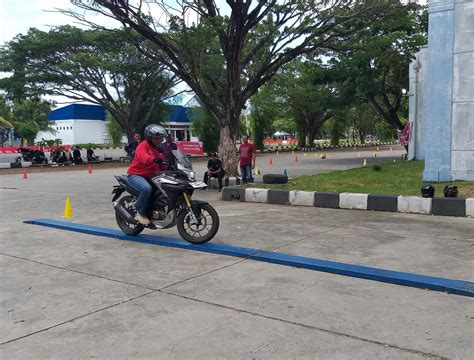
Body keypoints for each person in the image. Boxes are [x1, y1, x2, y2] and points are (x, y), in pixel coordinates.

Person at [127, 124, 167, 225]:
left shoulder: (157, 149)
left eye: (160, 138)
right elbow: (143, 157)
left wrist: (169, 165)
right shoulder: (143, 145)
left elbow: (161, 165)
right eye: (156, 138)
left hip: (150, 176)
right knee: (146, 188)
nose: (158, 141)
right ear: (149, 138)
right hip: (136, 175)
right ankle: (140, 213)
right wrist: (153, 158)